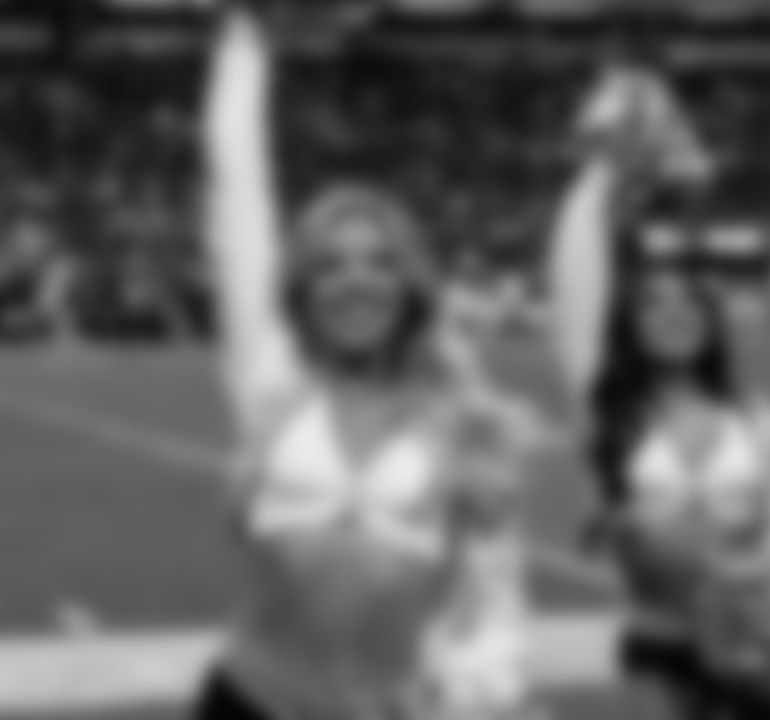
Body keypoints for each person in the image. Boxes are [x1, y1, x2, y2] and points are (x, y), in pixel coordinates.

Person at [193, 7, 573, 720]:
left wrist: (486, 693)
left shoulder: (461, 416)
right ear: (302, 289)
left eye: (380, 261)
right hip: (246, 704)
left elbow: (495, 595)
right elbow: (234, 194)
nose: (355, 280)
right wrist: (245, 41)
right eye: (330, 265)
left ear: (412, 283)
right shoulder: (272, 379)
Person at [546, 66, 770, 720]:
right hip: (657, 650)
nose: (672, 314)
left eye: (689, 304)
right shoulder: (609, 411)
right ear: (629, 328)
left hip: (762, 655)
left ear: (710, 323)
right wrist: (607, 168)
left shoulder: (754, 417)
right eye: (653, 305)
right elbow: (573, 285)